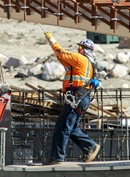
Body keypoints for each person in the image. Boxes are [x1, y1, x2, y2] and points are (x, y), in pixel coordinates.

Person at [42, 32, 101, 165]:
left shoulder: (80, 58)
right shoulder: (89, 63)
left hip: (76, 97)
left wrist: (52, 40)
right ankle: (89, 146)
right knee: (72, 127)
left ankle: (57, 157)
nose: (78, 49)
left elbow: (61, 52)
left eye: (80, 47)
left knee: (62, 127)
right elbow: (62, 58)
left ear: (83, 49)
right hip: (82, 98)